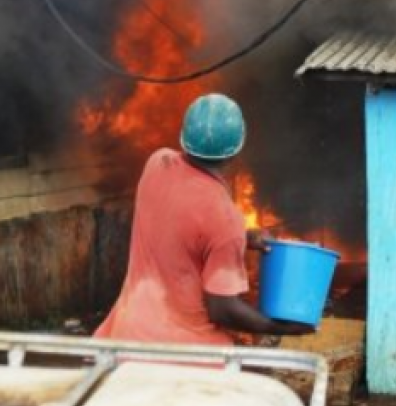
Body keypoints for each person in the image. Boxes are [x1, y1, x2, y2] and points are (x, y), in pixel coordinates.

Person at [95, 93, 314, 345]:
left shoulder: (157, 163)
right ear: (235, 152)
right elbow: (222, 310)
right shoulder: (224, 217)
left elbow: (184, 228)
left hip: (126, 333)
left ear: (184, 138)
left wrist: (242, 239)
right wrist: (276, 327)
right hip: (183, 352)